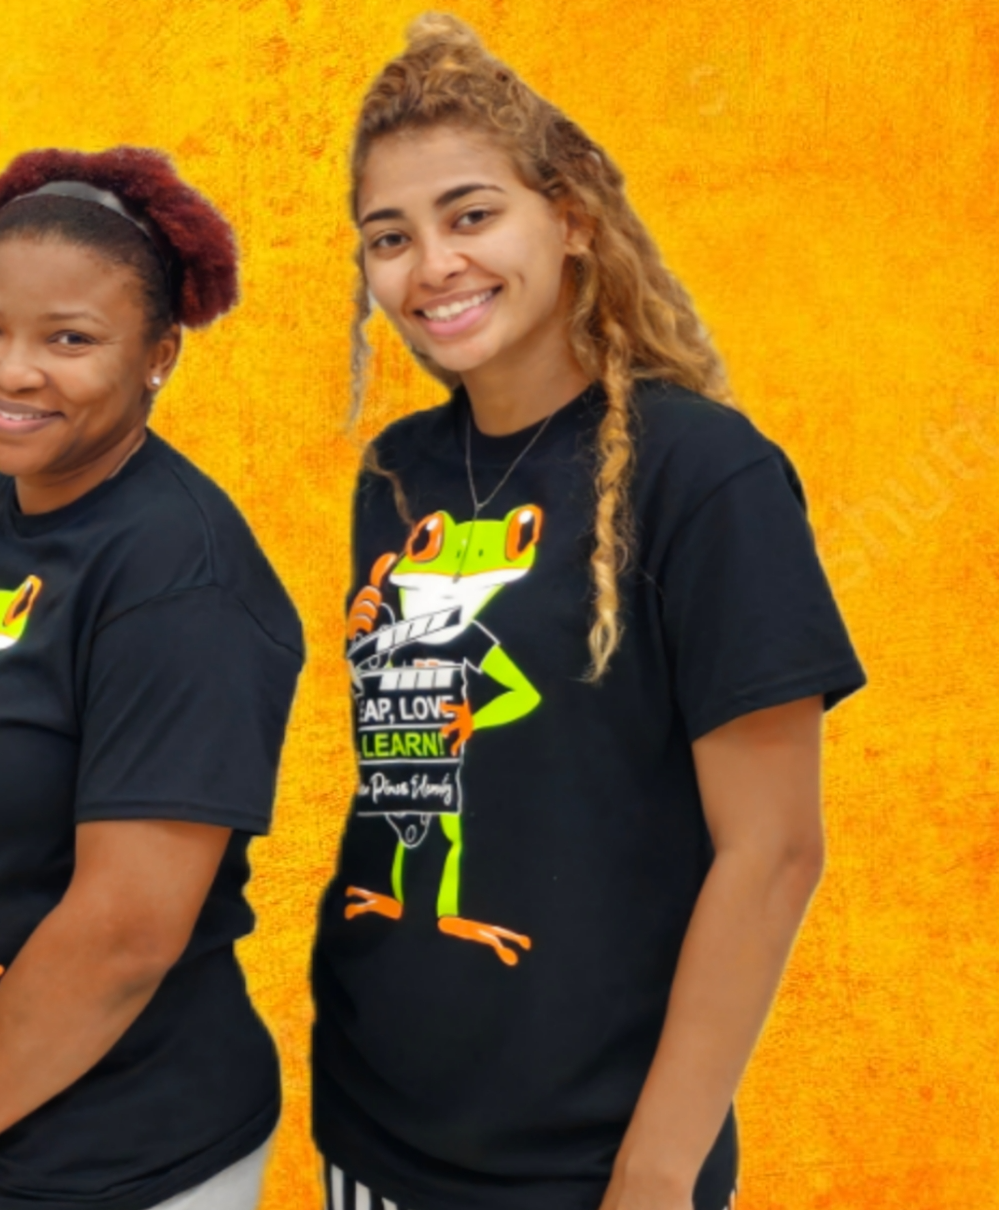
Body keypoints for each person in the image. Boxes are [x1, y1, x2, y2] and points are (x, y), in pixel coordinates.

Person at [317, 16, 867, 1210]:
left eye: (470, 215)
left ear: (567, 218)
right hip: (370, 1124)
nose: (431, 266)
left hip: (586, 1160)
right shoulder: (395, 475)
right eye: (388, 237)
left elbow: (770, 853)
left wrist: (657, 1171)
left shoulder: (701, 474)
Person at [0, 147, 304, 1210]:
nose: (8, 371)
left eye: (68, 340)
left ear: (158, 355)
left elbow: (124, 934)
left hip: (112, 1167)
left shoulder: (179, 578)